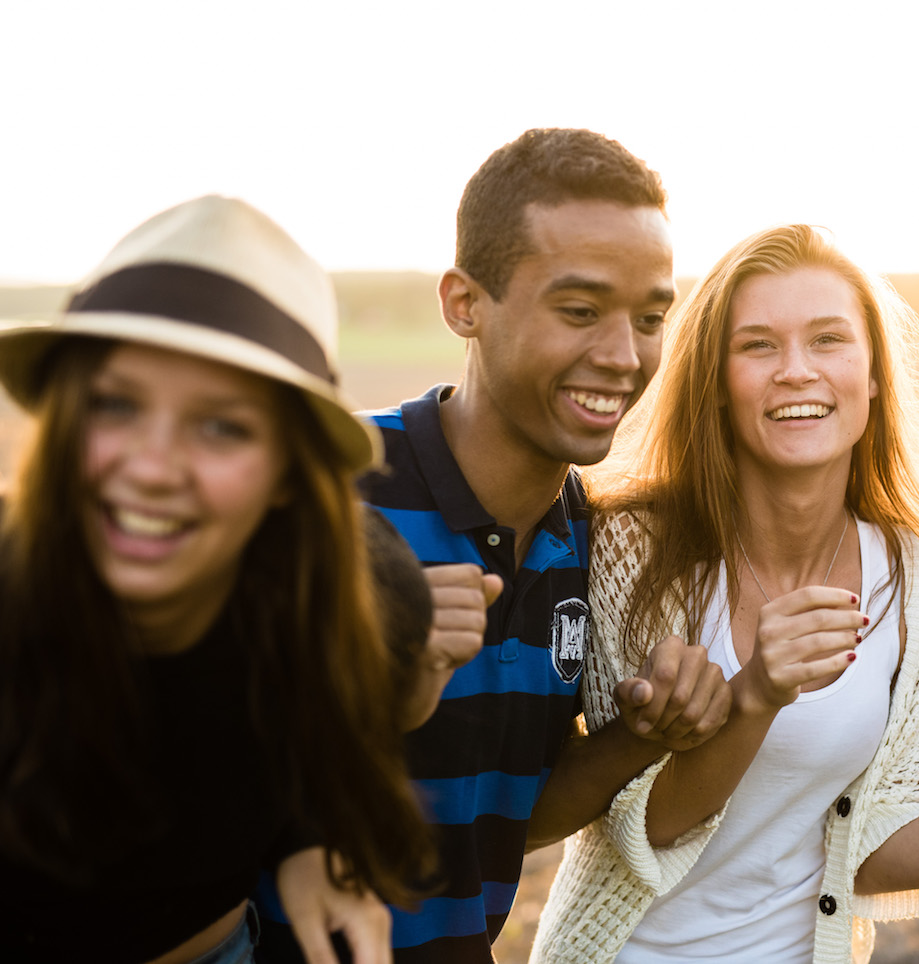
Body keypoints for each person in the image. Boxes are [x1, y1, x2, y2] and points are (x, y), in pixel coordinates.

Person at [531, 224, 919, 964]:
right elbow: (644, 827)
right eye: (758, 345)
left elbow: (874, 839)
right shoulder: (634, 552)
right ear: (714, 381)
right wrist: (759, 693)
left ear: (872, 374)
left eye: (829, 339)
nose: (797, 371)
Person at [255, 128, 733, 964]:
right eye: (580, 311)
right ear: (464, 303)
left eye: (651, 318)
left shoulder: (587, 536)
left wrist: (645, 733)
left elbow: (514, 809)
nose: (625, 357)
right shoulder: (321, 490)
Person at [0, 195, 436, 963]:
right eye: (114, 405)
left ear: (287, 477)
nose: (152, 468)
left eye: (221, 426)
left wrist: (310, 833)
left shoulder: (372, 599)